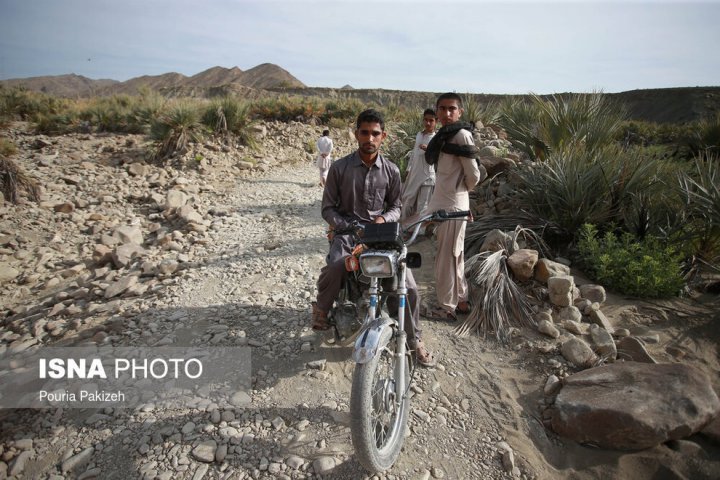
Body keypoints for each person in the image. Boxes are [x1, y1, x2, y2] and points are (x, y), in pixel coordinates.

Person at [311, 109, 434, 366]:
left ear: (383, 136)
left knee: (408, 286)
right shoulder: (339, 168)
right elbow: (327, 208)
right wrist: (346, 225)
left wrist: (383, 219)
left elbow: (396, 207)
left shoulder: (391, 171)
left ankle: (414, 339)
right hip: (347, 235)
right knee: (335, 266)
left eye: (375, 133)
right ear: (356, 134)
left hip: (382, 236)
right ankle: (321, 308)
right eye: (364, 132)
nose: (370, 138)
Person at [423, 93, 484, 321]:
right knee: (454, 255)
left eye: (452, 109)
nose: (447, 114)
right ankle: (461, 300)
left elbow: (474, 175)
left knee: (446, 259)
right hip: (445, 203)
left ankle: (445, 307)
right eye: (442, 109)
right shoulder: (443, 135)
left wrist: (459, 192)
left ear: (460, 112)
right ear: (437, 112)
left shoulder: (461, 135)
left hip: (453, 206)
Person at [400, 108, 437, 225]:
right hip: (414, 173)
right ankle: (404, 227)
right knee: (407, 200)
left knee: (423, 205)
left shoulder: (436, 139)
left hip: (427, 176)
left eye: (431, 120)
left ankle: (419, 230)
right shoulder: (419, 135)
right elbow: (414, 153)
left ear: (436, 121)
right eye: (426, 120)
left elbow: (438, 157)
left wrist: (429, 150)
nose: (428, 123)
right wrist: (408, 169)